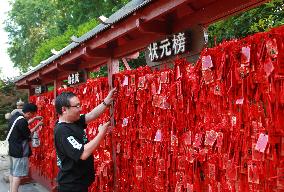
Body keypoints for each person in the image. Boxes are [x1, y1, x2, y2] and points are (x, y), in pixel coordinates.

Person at [54, 88, 117, 192]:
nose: (80, 109)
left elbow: (91, 115)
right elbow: (83, 153)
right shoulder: (62, 131)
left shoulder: (73, 120)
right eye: (76, 106)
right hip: (71, 186)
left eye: (80, 105)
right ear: (64, 109)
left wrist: (106, 101)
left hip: (79, 182)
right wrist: (101, 133)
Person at [8, 103, 43, 192]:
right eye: (33, 114)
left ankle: (11, 190)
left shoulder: (15, 117)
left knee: (12, 172)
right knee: (18, 175)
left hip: (12, 149)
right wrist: (38, 125)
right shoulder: (22, 121)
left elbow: (23, 125)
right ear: (29, 113)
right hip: (20, 151)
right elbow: (28, 133)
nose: (33, 116)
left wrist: (34, 119)